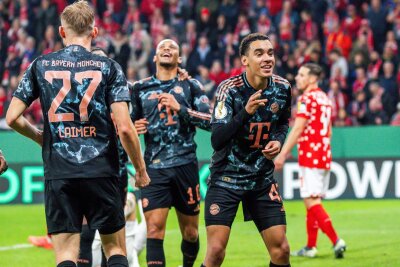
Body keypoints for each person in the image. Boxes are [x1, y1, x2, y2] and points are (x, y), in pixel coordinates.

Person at [5, 1, 150, 267]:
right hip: (103, 170)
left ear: (62, 32)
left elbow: (12, 117)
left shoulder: (41, 65)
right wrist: (140, 170)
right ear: (94, 32)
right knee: (116, 249)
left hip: (60, 171)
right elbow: (126, 128)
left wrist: (40, 136)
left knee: (66, 256)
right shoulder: (109, 67)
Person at [202, 33, 291, 267]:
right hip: (225, 180)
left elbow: (283, 122)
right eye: (259, 53)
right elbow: (217, 139)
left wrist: (279, 141)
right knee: (216, 253)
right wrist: (246, 112)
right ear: (244, 60)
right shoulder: (228, 90)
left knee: (281, 250)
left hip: (261, 180)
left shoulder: (283, 88)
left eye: (270, 53)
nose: (267, 58)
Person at [131, 38, 212, 267]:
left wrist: (181, 108)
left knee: (191, 233)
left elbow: (210, 121)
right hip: (153, 168)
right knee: (154, 229)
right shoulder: (139, 88)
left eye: (172, 47)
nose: (167, 49)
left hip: (185, 165)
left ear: (179, 58)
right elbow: (129, 123)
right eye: (162, 48)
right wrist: (134, 127)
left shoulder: (191, 85)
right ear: (155, 57)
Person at [274, 63, 346, 259]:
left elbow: (297, 129)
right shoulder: (325, 98)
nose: (298, 78)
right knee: (313, 200)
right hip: (324, 154)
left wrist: (282, 154)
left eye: (302, 74)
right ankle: (311, 246)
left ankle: (336, 240)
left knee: (311, 200)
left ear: (312, 78)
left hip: (310, 156)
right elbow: (328, 130)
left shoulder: (306, 99)